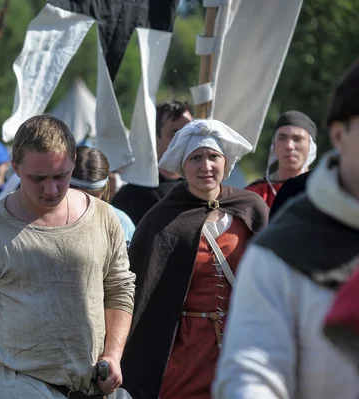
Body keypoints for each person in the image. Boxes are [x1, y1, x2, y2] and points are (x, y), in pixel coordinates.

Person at [0, 115, 135, 399]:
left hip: (91, 388)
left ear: (73, 162)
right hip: (13, 388)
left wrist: (113, 353)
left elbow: (119, 289)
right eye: (38, 178)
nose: (51, 189)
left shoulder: (104, 218)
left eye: (60, 176)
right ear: (16, 167)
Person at [213, 61, 359, 399]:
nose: (290, 146)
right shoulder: (278, 252)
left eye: (298, 139)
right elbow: (252, 373)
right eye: (284, 138)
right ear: (340, 135)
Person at [121, 119, 269, 399]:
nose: (206, 166)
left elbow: (274, 278)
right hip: (186, 349)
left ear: (225, 162)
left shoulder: (250, 209)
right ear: (182, 166)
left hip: (244, 342)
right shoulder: (161, 219)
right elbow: (140, 291)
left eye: (214, 156)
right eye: (196, 158)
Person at [111, 100, 191, 225]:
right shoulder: (132, 195)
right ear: (156, 135)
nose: (183, 140)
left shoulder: (201, 188)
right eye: (174, 134)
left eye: (189, 133)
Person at [246, 111, 317, 207]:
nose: (289, 146)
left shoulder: (322, 192)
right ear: (274, 145)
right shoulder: (254, 194)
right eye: (282, 138)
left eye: (297, 139)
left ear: (311, 147)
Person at [70, 146, 136, 246]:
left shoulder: (121, 224)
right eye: (80, 198)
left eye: (94, 199)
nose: (87, 207)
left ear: (105, 190)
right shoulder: (50, 221)